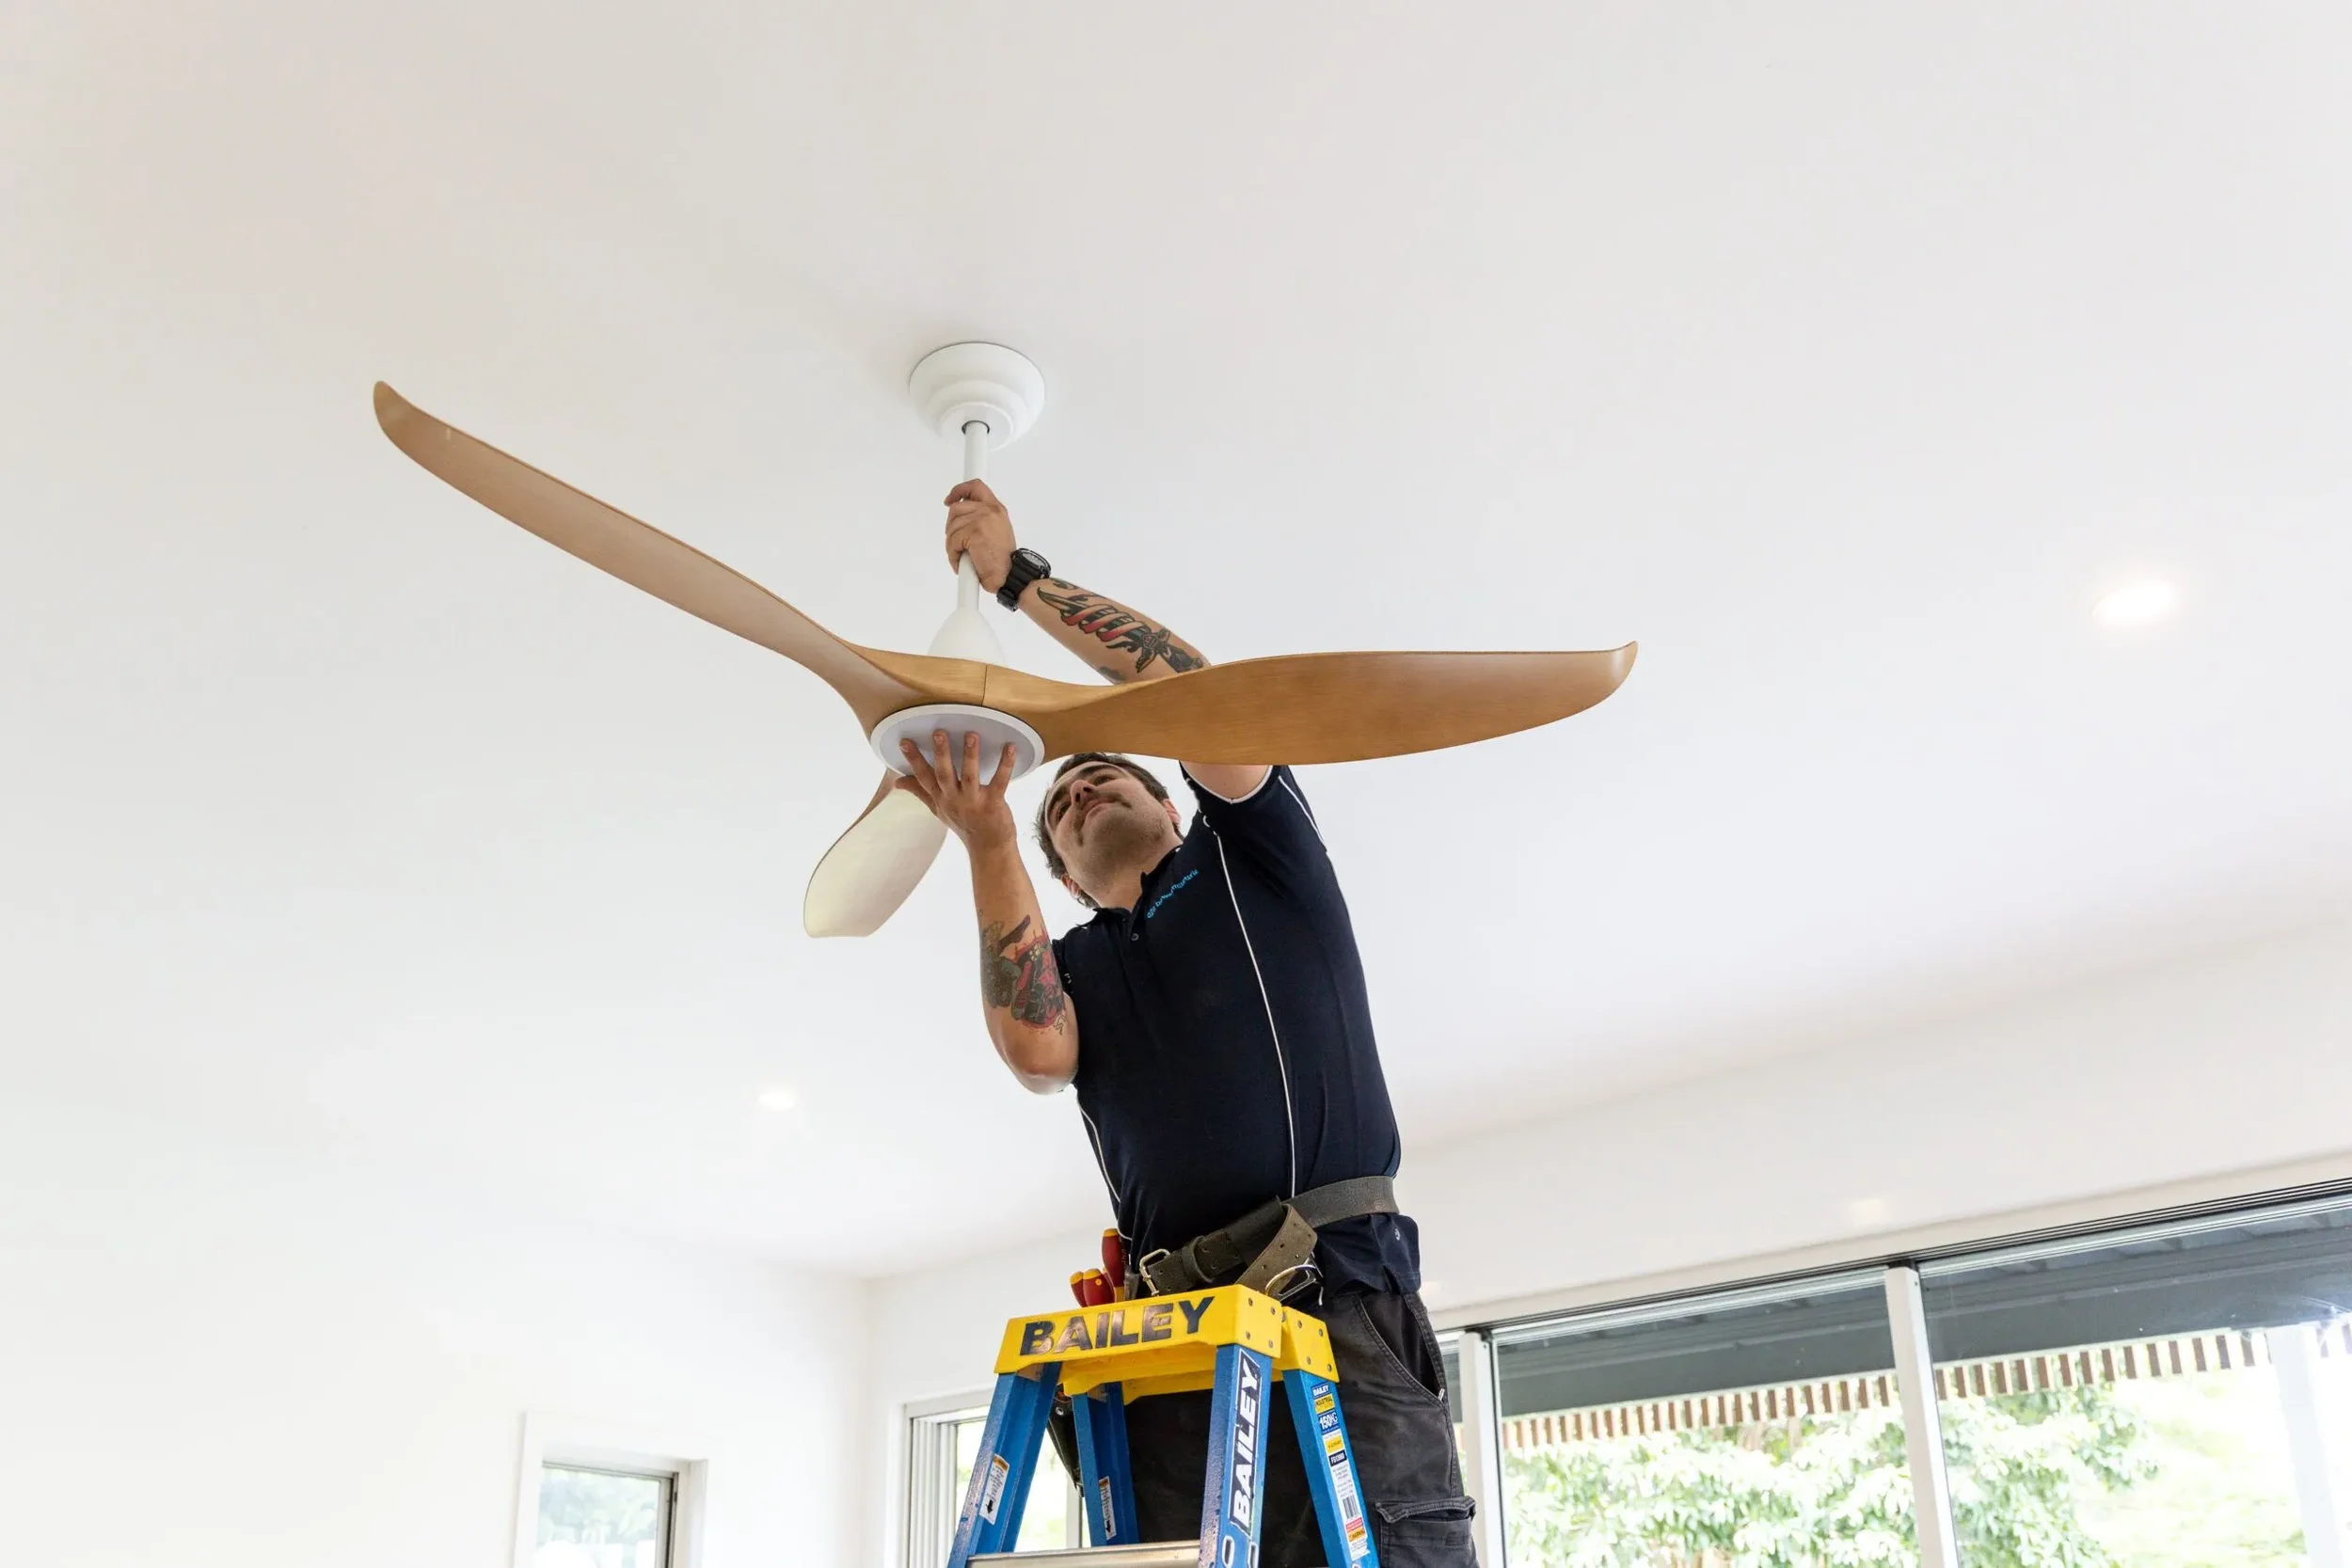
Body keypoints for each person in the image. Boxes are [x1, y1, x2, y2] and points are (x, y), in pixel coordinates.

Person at [892, 480, 1476, 1568]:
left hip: (1335, 1305)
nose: (1079, 790)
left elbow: (1200, 695)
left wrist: (1021, 579)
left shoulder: (1256, 862)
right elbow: (1034, 1051)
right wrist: (984, 837)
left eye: (1109, 772)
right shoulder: (1073, 963)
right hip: (1173, 1345)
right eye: (1056, 809)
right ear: (1061, 877)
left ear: (1173, 806)